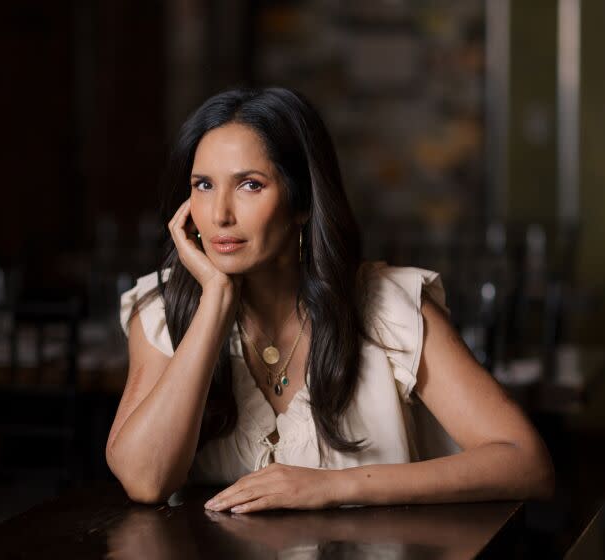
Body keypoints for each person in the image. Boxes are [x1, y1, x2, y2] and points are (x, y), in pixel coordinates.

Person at [105, 87, 554, 513]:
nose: (220, 214)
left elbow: (526, 463)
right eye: (203, 185)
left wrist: (329, 487)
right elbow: (146, 481)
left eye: (250, 185)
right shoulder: (161, 309)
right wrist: (215, 300)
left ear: (302, 203)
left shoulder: (389, 307)